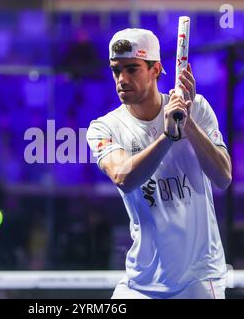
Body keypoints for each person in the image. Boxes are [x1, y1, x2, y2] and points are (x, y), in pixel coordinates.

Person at [86, 28, 232, 299]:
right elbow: (123, 177)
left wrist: (186, 122)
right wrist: (168, 136)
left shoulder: (197, 108)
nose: (122, 79)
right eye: (116, 70)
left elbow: (223, 176)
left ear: (156, 70)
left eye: (132, 69)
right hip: (140, 283)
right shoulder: (103, 128)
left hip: (199, 280)